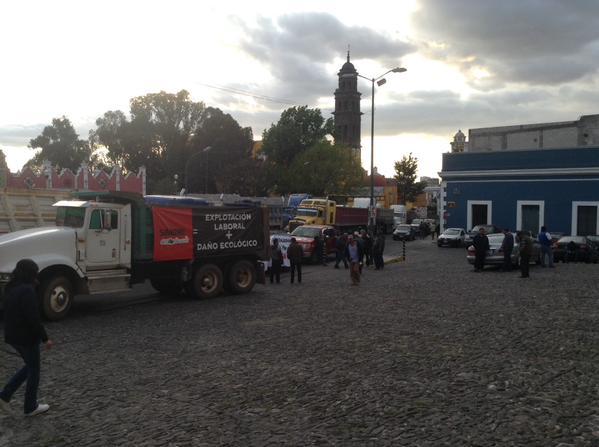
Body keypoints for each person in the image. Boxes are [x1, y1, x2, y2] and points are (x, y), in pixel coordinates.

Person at [0, 259, 53, 417]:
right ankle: (30, 406)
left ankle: (4, 395)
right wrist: (45, 339)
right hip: (26, 337)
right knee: (34, 370)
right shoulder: (27, 290)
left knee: (29, 366)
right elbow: (33, 318)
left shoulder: (10, 287)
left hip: (12, 335)